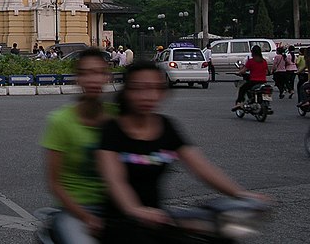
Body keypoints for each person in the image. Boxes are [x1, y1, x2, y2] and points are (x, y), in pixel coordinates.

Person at [97, 61, 265, 244]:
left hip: (159, 218)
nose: (148, 95)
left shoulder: (166, 127)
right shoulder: (112, 130)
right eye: (139, 88)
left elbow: (201, 167)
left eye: (155, 88)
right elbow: (115, 180)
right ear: (127, 92)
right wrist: (134, 209)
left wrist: (241, 195)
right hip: (121, 222)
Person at [40, 48, 114, 244]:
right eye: (86, 73)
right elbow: (54, 184)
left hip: (115, 207)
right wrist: (87, 218)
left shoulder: (117, 117)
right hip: (75, 210)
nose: (93, 80)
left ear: (108, 77)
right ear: (77, 79)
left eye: (99, 73)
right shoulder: (60, 121)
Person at [232, 45, 270, 110]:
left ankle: (239, 103)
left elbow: (243, 71)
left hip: (254, 81)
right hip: (263, 81)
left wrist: (238, 72)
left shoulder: (251, 61)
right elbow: (267, 72)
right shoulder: (264, 61)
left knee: (242, 88)